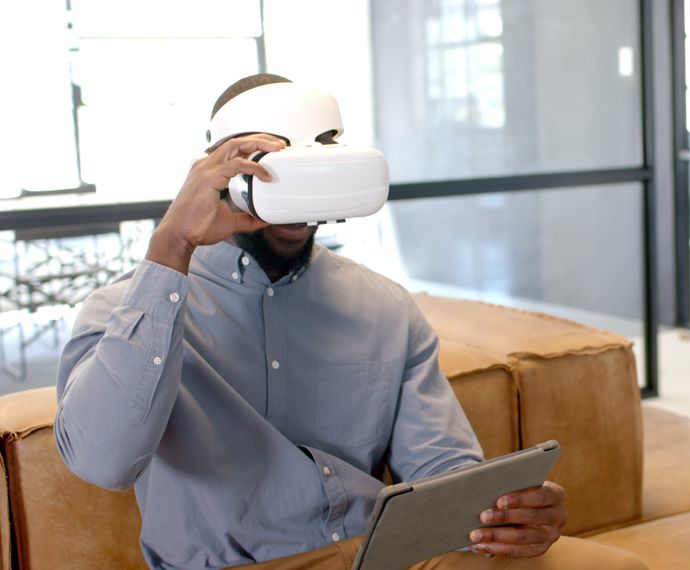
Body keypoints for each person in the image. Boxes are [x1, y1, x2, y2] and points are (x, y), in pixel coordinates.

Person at [53, 74, 647, 570]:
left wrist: (506, 514)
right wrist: (172, 244)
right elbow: (102, 461)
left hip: (383, 554)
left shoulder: (385, 307)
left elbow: (442, 472)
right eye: (267, 167)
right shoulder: (125, 312)